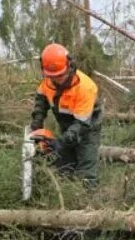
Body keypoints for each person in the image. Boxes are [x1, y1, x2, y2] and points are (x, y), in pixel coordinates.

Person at [30, 43, 103, 184]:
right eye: (52, 76)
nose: (56, 80)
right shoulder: (48, 81)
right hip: (66, 123)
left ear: (70, 66)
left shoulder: (85, 87)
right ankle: (65, 189)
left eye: (60, 75)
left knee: (86, 166)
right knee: (64, 165)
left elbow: (81, 124)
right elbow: (42, 98)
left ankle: (88, 199)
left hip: (87, 125)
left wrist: (60, 142)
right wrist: (37, 121)